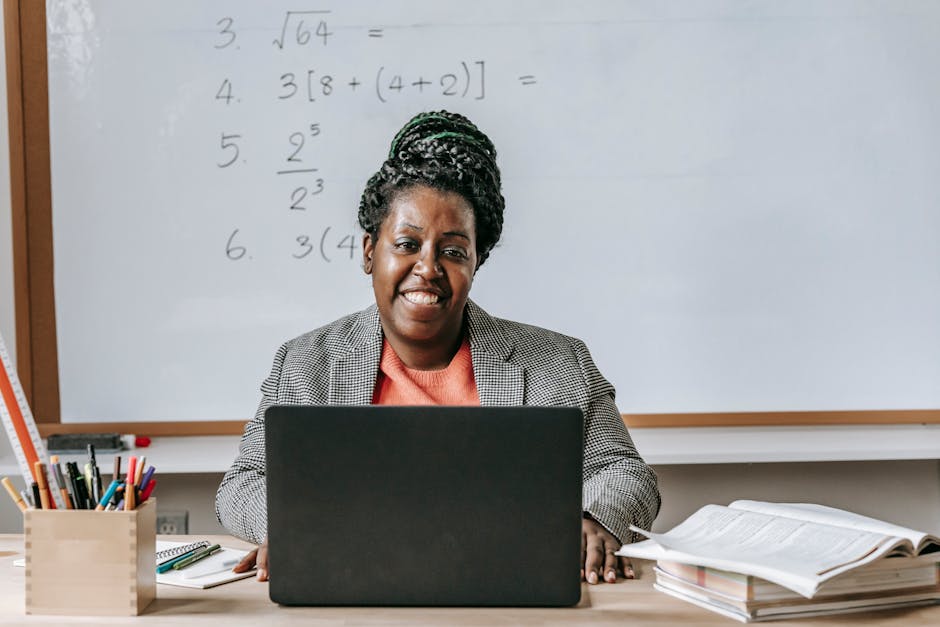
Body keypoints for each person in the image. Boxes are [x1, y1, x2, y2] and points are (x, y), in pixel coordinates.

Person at [216, 110, 660, 585]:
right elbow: (242, 484)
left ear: (475, 263)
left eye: (452, 251)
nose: (427, 268)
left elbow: (626, 474)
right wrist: (293, 524)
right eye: (407, 244)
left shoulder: (556, 362)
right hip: (355, 590)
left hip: (509, 595)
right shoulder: (308, 363)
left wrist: (594, 520)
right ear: (370, 252)